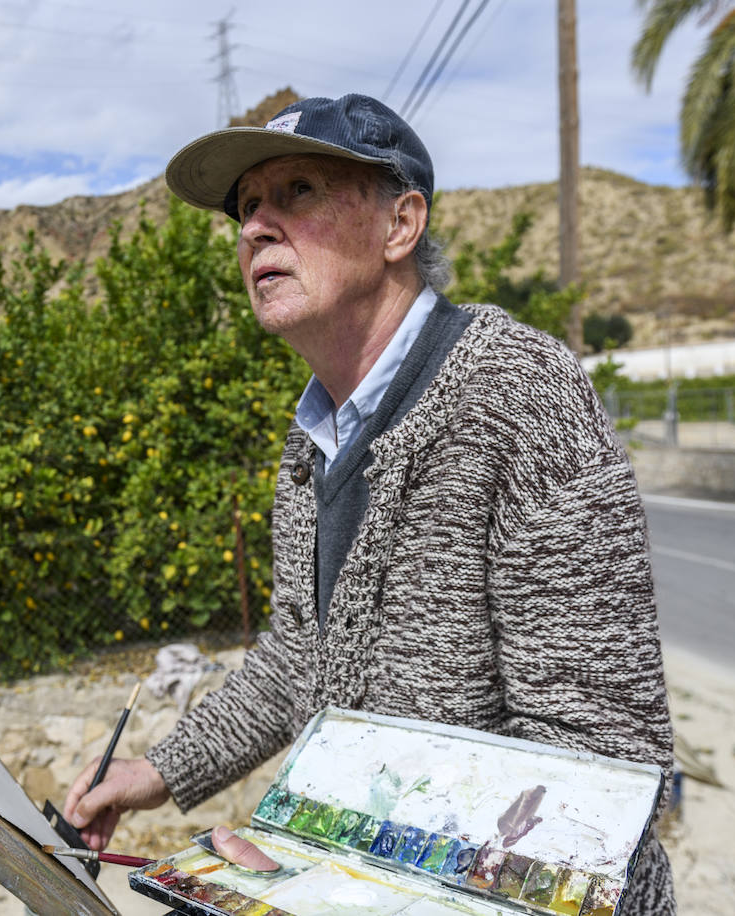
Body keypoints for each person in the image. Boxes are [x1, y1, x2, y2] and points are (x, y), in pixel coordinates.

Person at [63, 94, 675, 914]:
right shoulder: (313, 436)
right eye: (247, 208)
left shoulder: (521, 395)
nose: (254, 229)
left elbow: (598, 760)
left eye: (299, 192)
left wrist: (339, 856)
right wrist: (159, 773)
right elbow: (297, 662)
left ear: (401, 225)